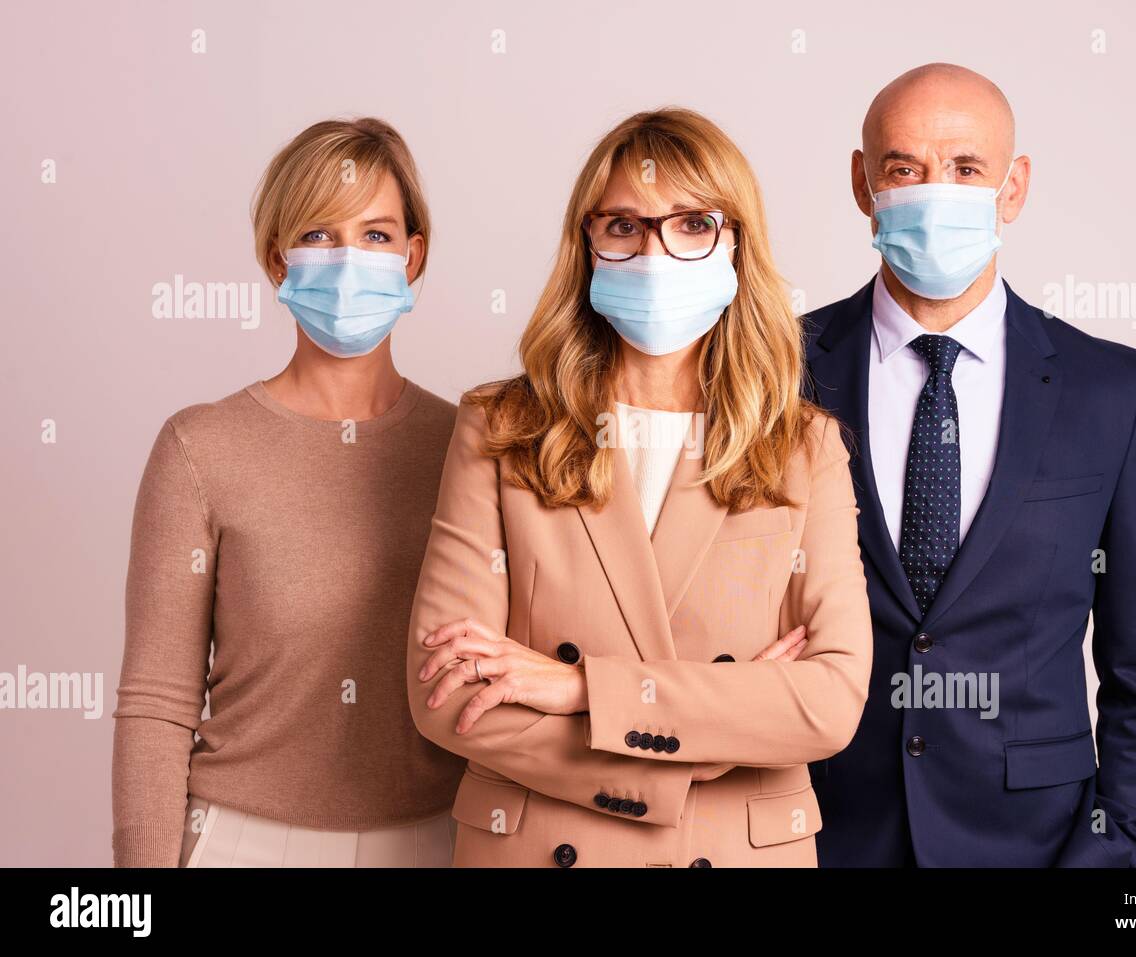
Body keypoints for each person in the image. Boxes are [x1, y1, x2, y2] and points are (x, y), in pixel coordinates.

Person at [406, 108, 872, 867]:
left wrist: (579, 689)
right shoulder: (499, 427)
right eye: (623, 225)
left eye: (691, 224)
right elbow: (450, 694)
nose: (654, 252)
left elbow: (828, 702)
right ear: (587, 246)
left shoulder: (804, 447)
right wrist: (724, 728)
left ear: (735, 245)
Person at [805, 64, 1136, 867]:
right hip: (818, 833)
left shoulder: (1110, 391)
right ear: (860, 182)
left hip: (1039, 845)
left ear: (1013, 189)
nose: (931, 191)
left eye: (966, 168)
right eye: (903, 168)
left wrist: (1115, 853)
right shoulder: (776, 370)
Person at [112, 118, 463, 867]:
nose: (347, 261)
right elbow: (157, 701)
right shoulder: (198, 448)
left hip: (441, 837)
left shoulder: (469, 448)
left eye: (374, 235)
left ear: (412, 255)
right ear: (278, 260)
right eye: (318, 235)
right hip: (242, 840)